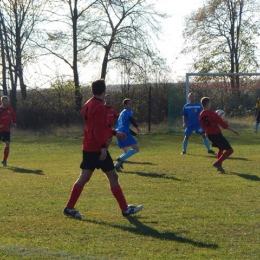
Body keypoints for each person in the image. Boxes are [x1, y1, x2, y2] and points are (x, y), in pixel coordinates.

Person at [63, 79, 143, 220]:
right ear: (104, 90)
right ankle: (125, 210)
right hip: (97, 148)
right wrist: (103, 147)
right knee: (113, 176)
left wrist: (114, 133)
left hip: (87, 147)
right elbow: (98, 129)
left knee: (84, 177)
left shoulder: (88, 104)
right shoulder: (99, 107)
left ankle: (69, 207)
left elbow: (94, 126)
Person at [199, 97, 239, 173]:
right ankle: (217, 163)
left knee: (221, 149)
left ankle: (219, 166)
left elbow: (204, 126)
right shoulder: (213, 114)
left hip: (210, 136)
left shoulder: (201, 114)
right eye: (210, 102)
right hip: (216, 135)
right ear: (207, 104)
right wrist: (234, 131)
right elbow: (224, 125)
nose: (211, 104)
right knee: (230, 150)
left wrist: (210, 130)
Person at [114, 98, 141, 171]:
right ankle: (120, 159)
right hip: (124, 133)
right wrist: (137, 126)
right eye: (129, 103)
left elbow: (125, 126)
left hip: (118, 133)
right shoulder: (128, 112)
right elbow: (131, 119)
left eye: (131, 103)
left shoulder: (122, 113)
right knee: (136, 148)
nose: (131, 105)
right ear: (125, 105)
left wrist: (135, 134)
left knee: (127, 152)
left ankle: (117, 166)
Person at [0, 96, 17, 166]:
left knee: (7, 144)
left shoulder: (10, 108)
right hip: (0, 130)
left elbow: (13, 116)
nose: (7, 102)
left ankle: (4, 160)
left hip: (7, 130)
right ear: (2, 102)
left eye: (8, 101)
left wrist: (14, 122)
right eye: (5, 101)